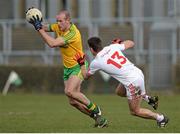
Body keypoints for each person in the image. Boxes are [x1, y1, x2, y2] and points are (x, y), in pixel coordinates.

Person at [26, 8, 107, 128]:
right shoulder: (59, 27)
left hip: (78, 66)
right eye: (57, 21)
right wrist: (37, 24)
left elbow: (52, 44)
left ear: (68, 20)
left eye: (60, 21)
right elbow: (45, 28)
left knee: (69, 91)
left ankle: (96, 109)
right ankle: (98, 118)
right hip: (67, 68)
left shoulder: (73, 33)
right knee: (73, 101)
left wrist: (39, 29)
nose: (58, 23)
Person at [74, 37, 169, 128]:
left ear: (91, 49)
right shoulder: (112, 47)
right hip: (137, 72)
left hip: (132, 81)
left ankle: (161, 118)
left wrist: (81, 63)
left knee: (135, 111)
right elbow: (131, 43)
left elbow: (86, 76)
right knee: (119, 92)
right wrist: (120, 43)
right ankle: (147, 98)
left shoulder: (96, 62)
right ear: (100, 45)